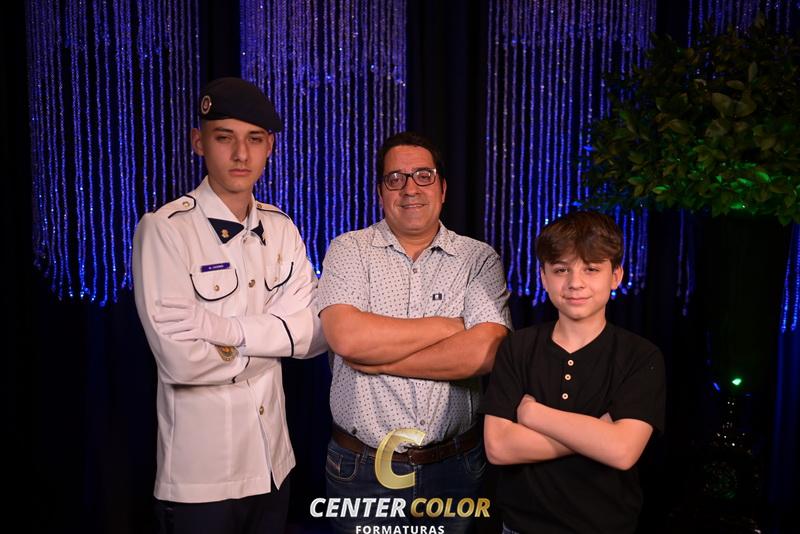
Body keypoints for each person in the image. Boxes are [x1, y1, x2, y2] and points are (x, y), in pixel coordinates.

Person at [132, 77, 327, 534]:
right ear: (199, 142)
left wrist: (225, 331)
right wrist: (278, 340)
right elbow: (181, 361)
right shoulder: (166, 230)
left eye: (254, 139)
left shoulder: (281, 228)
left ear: (269, 147)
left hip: (274, 465)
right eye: (225, 138)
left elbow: (317, 334)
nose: (241, 154)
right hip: (201, 478)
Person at [316, 131, 511, 533]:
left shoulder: (478, 258)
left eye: (424, 176)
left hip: (455, 469)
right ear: (380, 192)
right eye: (395, 178)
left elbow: (486, 352)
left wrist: (378, 360)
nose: (410, 189)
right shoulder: (349, 250)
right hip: (363, 469)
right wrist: (449, 327)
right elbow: (348, 338)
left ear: (442, 188)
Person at [481, 210, 666, 534]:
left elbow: (622, 451)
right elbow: (498, 448)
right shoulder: (517, 347)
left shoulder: (640, 356)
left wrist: (534, 415)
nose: (575, 283)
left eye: (591, 269)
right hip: (521, 528)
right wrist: (598, 434)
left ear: (616, 276)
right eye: (560, 270)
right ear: (543, 276)